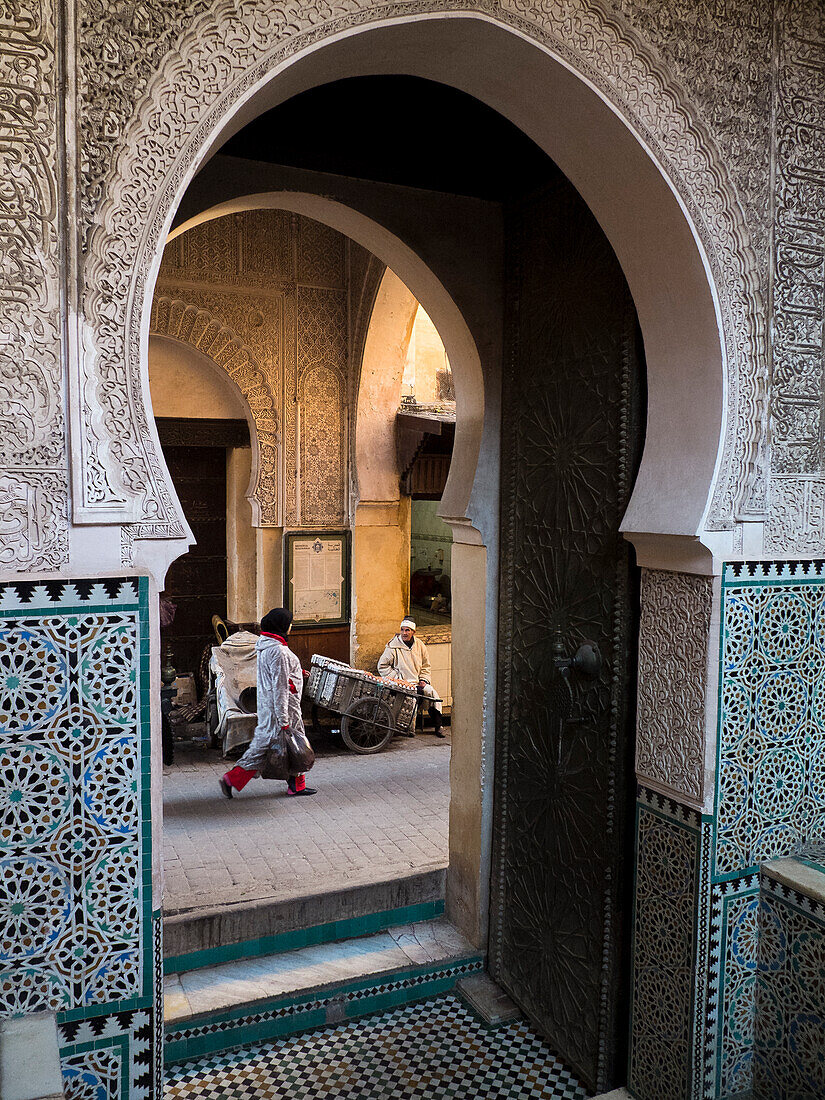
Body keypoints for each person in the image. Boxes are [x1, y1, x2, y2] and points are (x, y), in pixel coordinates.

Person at [219, 608, 317, 798]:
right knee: (294, 747)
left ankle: (233, 779)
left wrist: (298, 672)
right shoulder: (279, 651)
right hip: (283, 709)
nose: (291, 626)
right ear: (281, 626)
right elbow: (280, 686)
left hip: (269, 707)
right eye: (289, 623)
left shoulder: (266, 645)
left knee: (265, 748)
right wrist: (284, 719)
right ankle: (296, 785)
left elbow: (278, 676)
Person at [378, 617, 444, 737]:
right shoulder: (393, 646)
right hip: (402, 684)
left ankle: (438, 726)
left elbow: (425, 665)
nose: (404, 633)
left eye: (407, 630)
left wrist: (423, 679)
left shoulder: (419, 645)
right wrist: (398, 678)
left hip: (418, 682)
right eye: (402, 630)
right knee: (412, 700)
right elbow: (382, 666)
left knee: (432, 694)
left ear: (413, 631)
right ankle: (410, 729)